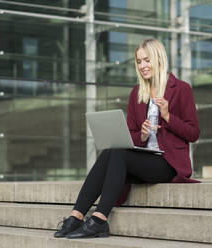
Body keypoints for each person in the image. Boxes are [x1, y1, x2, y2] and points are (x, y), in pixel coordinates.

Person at [54, 38, 200, 239]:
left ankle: (99, 219)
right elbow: (130, 134)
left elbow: (193, 133)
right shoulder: (137, 93)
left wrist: (168, 116)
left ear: (158, 59)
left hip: (169, 162)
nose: (142, 66)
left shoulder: (181, 89)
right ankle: (76, 216)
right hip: (143, 157)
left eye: (146, 60)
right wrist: (141, 135)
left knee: (118, 154)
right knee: (110, 151)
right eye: (139, 62)